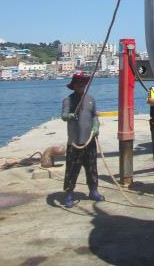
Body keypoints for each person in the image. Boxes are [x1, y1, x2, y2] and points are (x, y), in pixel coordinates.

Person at [61, 72, 104, 208]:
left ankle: (93, 190)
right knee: (72, 169)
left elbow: (94, 116)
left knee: (92, 167)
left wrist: (96, 126)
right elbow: (63, 116)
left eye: (83, 83)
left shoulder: (91, 99)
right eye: (78, 83)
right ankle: (69, 193)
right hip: (75, 142)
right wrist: (70, 116)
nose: (81, 85)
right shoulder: (68, 100)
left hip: (89, 140)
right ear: (73, 85)